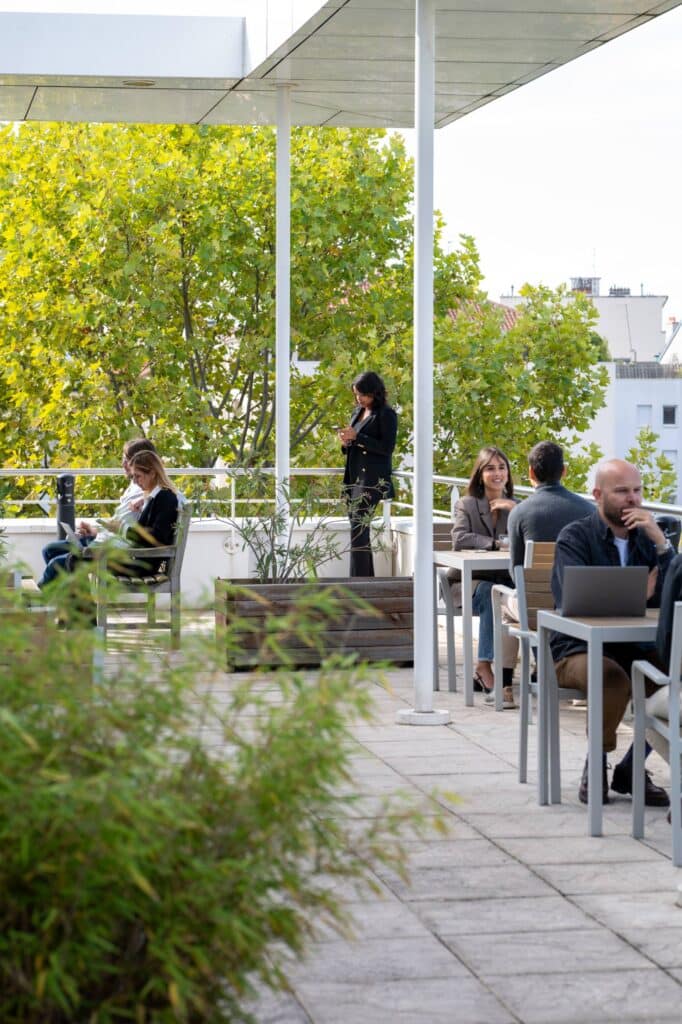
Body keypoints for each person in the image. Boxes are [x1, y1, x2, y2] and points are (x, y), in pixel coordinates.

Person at [551, 458, 674, 807]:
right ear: (597, 495)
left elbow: (674, 596)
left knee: (673, 675)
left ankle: (632, 768)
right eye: (622, 491)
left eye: (637, 490)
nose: (632, 499)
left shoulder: (647, 539)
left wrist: (662, 543)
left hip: (634, 645)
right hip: (577, 648)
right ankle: (596, 764)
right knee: (611, 677)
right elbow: (572, 599)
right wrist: (638, 594)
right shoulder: (575, 536)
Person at [451, 446, 519, 708]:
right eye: (490, 468)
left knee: (524, 594)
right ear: (480, 474)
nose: (497, 473)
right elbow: (460, 538)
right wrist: (494, 544)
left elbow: (529, 536)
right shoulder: (467, 504)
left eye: (502, 468)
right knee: (493, 593)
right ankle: (484, 666)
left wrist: (513, 508)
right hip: (468, 582)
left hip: (505, 579)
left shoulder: (516, 506)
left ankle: (543, 668)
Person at [39, 437, 157, 587]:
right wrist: (94, 531)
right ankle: (77, 598)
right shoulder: (135, 486)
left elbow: (172, 496)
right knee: (49, 550)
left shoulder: (149, 491)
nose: (123, 464)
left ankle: (36, 595)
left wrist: (146, 497)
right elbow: (117, 524)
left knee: (57, 564)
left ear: (142, 462)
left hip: (115, 550)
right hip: (106, 540)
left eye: (127, 460)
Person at [338, 371, 397, 577]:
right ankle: (366, 581)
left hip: (372, 480)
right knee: (358, 532)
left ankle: (358, 583)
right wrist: (346, 442)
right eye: (356, 394)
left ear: (374, 392)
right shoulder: (358, 412)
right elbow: (353, 444)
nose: (358, 398)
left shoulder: (386, 414)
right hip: (354, 478)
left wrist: (358, 437)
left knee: (358, 530)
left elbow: (387, 447)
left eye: (362, 394)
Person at [508, 441, 593, 569]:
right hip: (577, 582)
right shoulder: (590, 511)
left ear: (531, 472)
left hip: (534, 583)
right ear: (564, 471)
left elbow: (516, 570)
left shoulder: (519, 513)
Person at [114, 449, 179, 578]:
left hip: (145, 565)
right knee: (81, 558)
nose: (135, 481)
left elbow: (156, 537)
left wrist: (123, 529)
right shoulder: (154, 498)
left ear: (153, 473)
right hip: (140, 560)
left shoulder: (165, 498)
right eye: (133, 476)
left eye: (138, 476)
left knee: (82, 560)